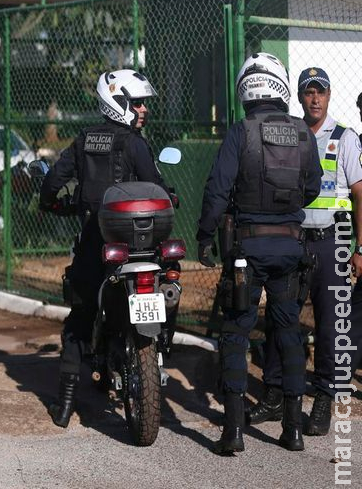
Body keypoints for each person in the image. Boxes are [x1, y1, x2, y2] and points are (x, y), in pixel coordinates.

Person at [197, 53, 322, 455]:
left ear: (245, 88)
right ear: (281, 84)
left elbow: (218, 188)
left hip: (246, 249)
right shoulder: (303, 131)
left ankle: (233, 432)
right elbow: (314, 186)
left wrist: (204, 235)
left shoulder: (241, 130)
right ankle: (293, 430)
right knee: (288, 334)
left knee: (236, 332)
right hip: (290, 247)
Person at [39, 69, 168, 428]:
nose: (143, 109)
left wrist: (49, 201)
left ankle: (64, 405)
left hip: (96, 244)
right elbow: (157, 186)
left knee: (79, 319)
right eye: (137, 103)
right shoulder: (135, 144)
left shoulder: (83, 140)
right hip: (136, 247)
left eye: (143, 103)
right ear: (118, 103)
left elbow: (53, 181)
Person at [247, 67, 362, 437]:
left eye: (321, 92)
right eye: (308, 92)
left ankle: (325, 396)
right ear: (298, 97)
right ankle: (275, 392)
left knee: (330, 325)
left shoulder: (345, 138)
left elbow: (360, 194)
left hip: (332, 242)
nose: (314, 99)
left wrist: (360, 248)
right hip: (292, 240)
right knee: (283, 319)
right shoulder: (289, 134)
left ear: (329, 97)